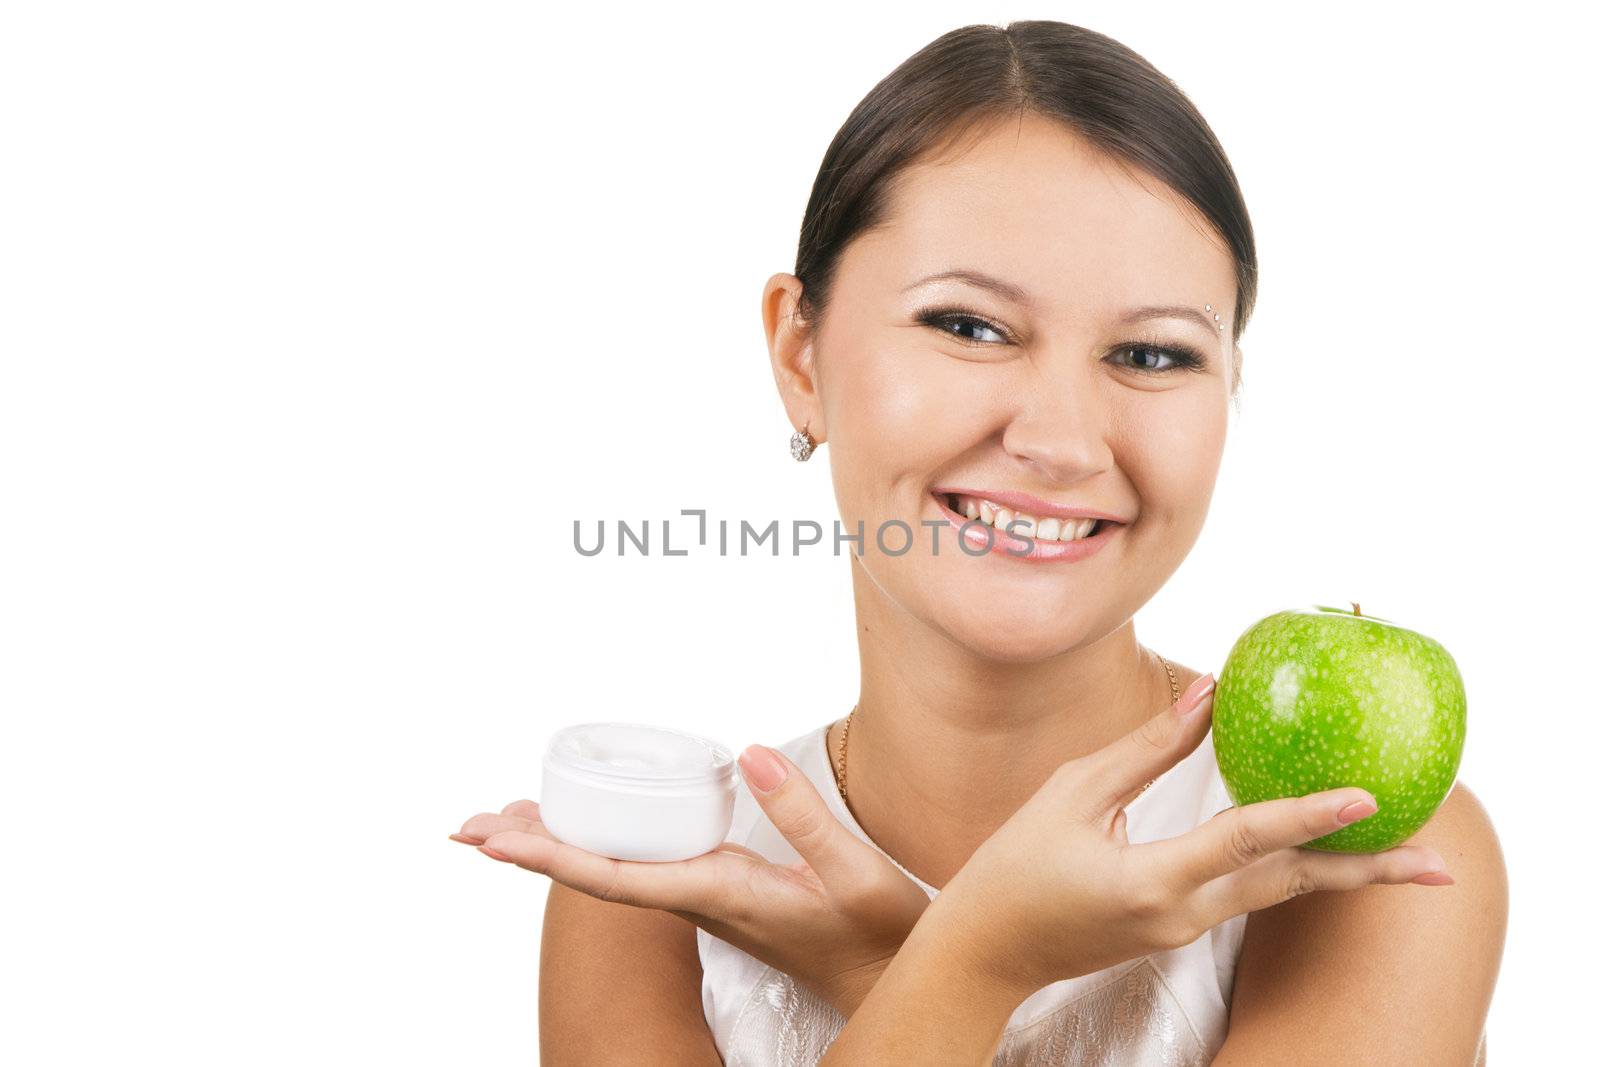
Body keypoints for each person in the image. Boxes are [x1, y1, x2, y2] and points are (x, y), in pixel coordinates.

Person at [451, 20, 1508, 1065]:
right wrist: (967, 961)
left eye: (1150, 351)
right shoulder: (657, 888)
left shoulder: (1338, 846)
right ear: (799, 353)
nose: (1055, 440)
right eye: (968, 326)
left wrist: (927, 971)